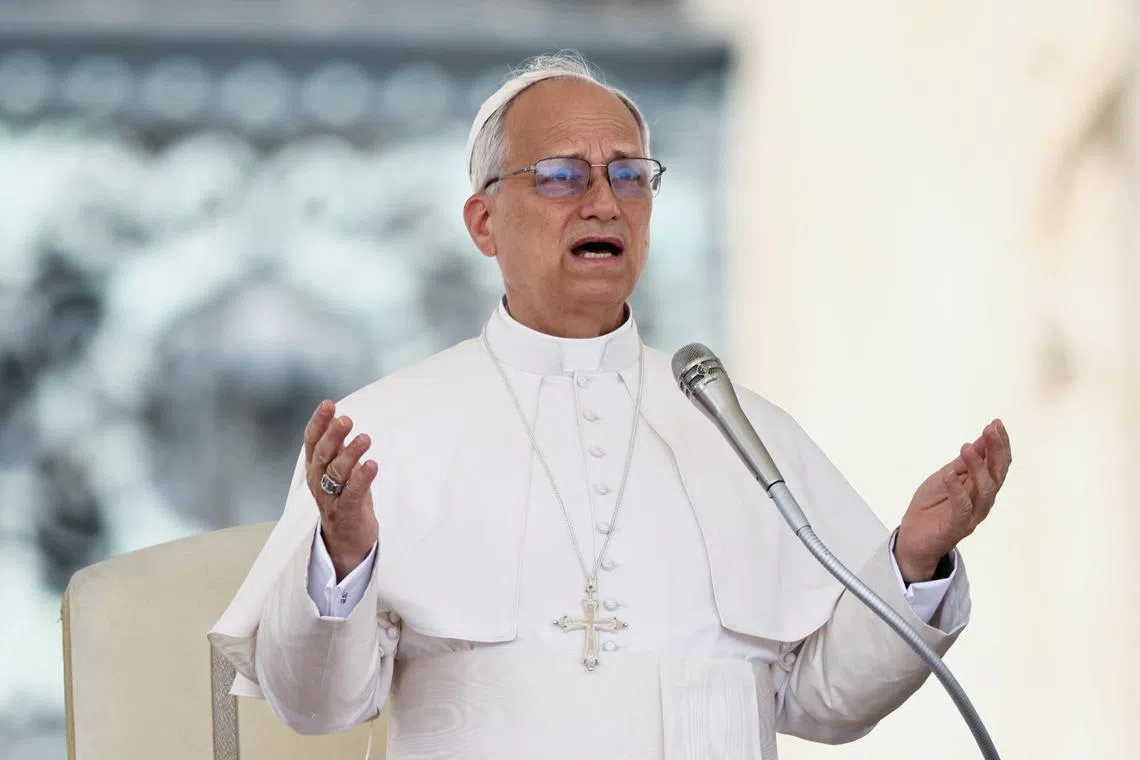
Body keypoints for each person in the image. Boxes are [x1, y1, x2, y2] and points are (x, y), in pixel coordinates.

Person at [209, 52, 1012, 759]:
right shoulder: (388, 431)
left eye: (628, 174)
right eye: (562, 175)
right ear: (484, 222)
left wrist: (913, 562)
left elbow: (824, 702)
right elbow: (316, 708)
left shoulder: (741, 431)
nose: (603, 201)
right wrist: (342, 556)